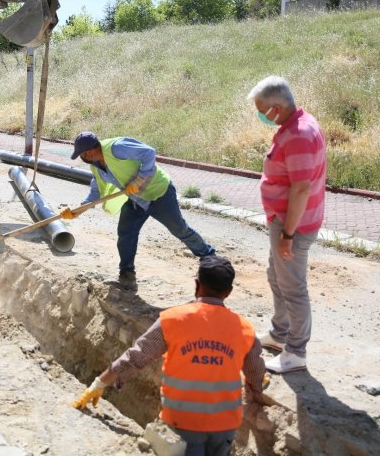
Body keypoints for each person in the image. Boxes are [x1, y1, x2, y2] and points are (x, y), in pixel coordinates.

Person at [73, 255, 266, 456]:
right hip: (225, 423)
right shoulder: (245, 329)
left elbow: (136, 357)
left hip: (183, 421)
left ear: (196, 285)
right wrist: (257, 390)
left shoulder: (173, 320)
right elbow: (255, 370)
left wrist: (99, 384)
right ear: (229, 292)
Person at [62, 132, 215, 290]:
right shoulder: (96, 166)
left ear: (95, 147)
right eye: (82, 154)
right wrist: (80, 209)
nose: (85, 157)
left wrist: (140, 178)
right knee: (126, 233)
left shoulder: (116, 148)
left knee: (179, 229)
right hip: (136, 200)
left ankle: (209, 257)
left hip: (159, 194)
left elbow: (148, 152)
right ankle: (126, 272)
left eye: (86, 152)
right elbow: (97, 190)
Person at [247, 76, 327, 374]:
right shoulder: (296, 125)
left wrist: (288, 235)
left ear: (277, 107)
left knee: (293, 288)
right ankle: (279, 334)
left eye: (261, 110)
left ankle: (296, 352)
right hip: (283, 221)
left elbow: (301, 189)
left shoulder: (298, 135)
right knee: (276, 276)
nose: (260, 116)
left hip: (294, 225)